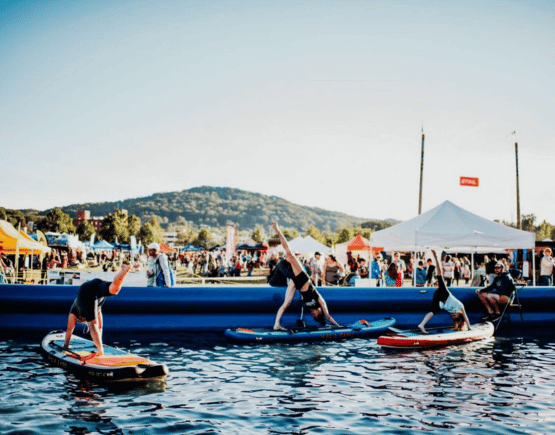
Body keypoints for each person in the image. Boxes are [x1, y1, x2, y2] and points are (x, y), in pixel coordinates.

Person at [271, 222, 341, 331]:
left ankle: (276, 325)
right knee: (290, 255)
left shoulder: (312, 307)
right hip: (303, 278)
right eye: (315, 313)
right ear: (320, 311)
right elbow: (328, 316)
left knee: (286, 303)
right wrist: (338, 326)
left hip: (297, 284)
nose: (312, 312)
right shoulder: (320, 301)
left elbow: (322, 320)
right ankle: (278, 230)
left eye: (313, 314)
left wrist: (325, 325)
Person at [63, 264, 133, 355]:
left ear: (80, 319)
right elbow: (100, 326)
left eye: (83, 321)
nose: (85, 322)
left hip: (86, 291)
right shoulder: (92, 307)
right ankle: (124, 270)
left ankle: (100, 351)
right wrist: (98, 343)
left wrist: (66, 345)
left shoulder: (75, 310)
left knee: (92, 324)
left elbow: (70, 328)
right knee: (114, 289)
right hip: (96, 288)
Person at [418, 251, 471, 333]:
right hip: (445, 294)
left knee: (433, 311)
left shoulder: (454, 313)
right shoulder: (460, 307)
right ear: (460, 315)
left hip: (439, 298)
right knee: (439, 275)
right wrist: (469, 328)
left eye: (453, 316)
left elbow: (457, 322)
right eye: (455, 315)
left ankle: (421, 325)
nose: (453, 315)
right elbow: (466, 318)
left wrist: (455, 328)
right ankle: (435, 256)